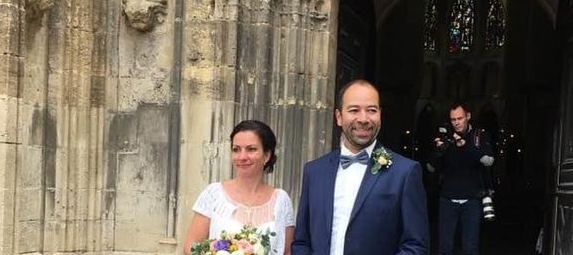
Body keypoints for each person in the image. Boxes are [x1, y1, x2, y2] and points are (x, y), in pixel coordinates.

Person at [292, 80, 429, 255]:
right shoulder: (314, 171)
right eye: (354, 110)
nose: (363, 119)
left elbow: (415, 246)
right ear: (339, 117)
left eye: (371, 110)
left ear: (380, 115)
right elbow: (302, 241)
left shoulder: (405, 172)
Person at [183, 120, 294, 255]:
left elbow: (287, 251)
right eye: (236, 149)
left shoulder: (281, 200)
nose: (242, 157)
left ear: (267, 155)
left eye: (251, 149)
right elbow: (191, 247)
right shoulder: (213, 194)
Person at [431, 103, 494, 255]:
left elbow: (489, 161)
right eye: (453, 119)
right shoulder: (446, 137)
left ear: (468, 116)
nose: (456, 122)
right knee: (444, 248)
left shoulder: (479, 135)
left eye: (460, 118)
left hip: (472, 200)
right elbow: (430, 168)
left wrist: (466, 146)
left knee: (470, 248)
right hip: (447, 200)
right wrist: (438, 151)